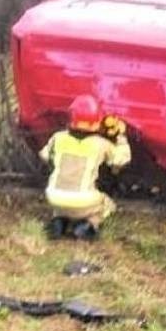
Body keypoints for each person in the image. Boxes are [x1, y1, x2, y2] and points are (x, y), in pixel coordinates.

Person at [39, 94, 131, 241]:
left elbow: (44, 156)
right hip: (84, 201)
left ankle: (59, 222)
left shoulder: (58, 138)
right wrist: (120, 138)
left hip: (54, 197)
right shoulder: (100, 144)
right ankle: (87, 226)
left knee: (63, 206)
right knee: (107, 204)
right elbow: (121, 160)